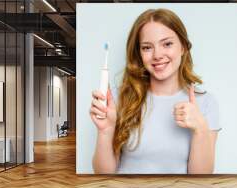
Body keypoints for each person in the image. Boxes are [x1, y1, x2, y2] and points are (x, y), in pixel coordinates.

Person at [90, 8, 221, 174]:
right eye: (147, 48)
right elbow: (103, 174)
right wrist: (105, 131)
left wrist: (200, 129)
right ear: (139, 53)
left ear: (183, 47)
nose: (157, 55)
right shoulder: (117, 98)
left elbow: (201, 179)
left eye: (167, 44)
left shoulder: (206, 103)